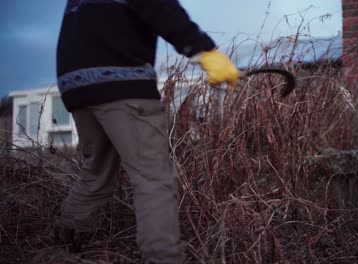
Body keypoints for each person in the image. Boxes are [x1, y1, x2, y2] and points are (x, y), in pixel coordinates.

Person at [54, 0, 239, 263]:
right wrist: (205, 51)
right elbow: (159, 6)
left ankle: (60, 248)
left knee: (96, 174)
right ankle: (163, 257)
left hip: (77, 88)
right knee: (154, 179)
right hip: (123, 85)